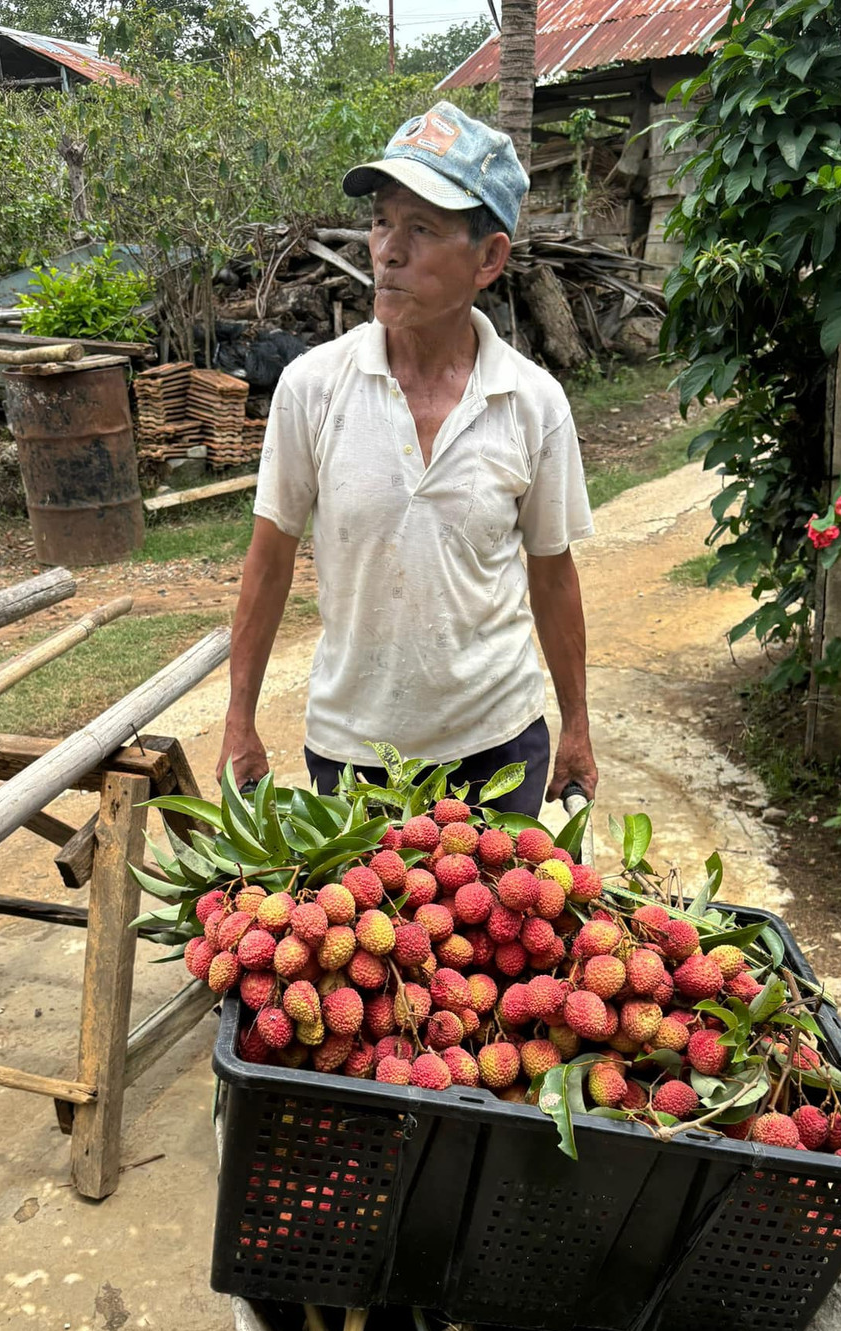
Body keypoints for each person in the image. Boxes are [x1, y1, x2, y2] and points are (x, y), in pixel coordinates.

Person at [217, 101, 598, 815]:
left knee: (503, 923)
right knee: (369, 926)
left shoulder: (532, 402)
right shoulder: (313, 389)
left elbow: (552, 575)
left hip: (499, 747)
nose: (388, 250)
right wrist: (240, 720)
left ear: (489, 258)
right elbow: (268, 562)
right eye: (382, 221)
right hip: (355, 753)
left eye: (421, 228)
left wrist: (576, 725)